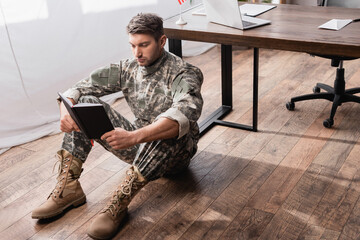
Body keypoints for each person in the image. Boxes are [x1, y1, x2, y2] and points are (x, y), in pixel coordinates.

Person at [31, 13, 203, 239]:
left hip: (175, 156)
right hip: (138, 147)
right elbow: (79, 89)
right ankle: (69, 187)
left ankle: (119, 203)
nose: (137, 53)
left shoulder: (184, 73)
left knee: (166, 125)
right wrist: (66, 112)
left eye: (144, 45)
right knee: (84, 105)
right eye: (132, 45)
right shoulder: (128, 68)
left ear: (161, 41)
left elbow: (184, 115)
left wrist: (134, 137)